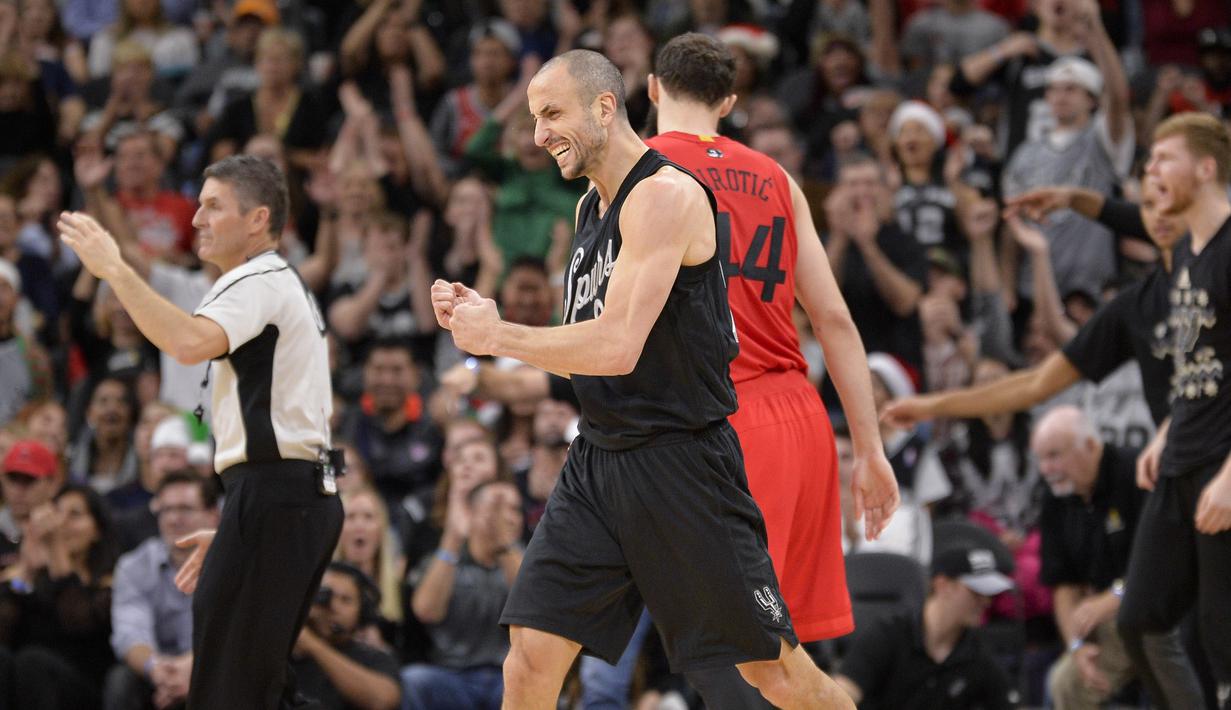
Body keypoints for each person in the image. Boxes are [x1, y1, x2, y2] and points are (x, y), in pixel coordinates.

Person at [433, 49, 891, 709]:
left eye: (551, 114)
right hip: (599, 457)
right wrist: (484, 317)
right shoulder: (590, 208)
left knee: (773, 672)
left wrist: (497, 337)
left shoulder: (666, 194)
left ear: (607, 105)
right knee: (529, 658)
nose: (537, 135)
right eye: (534, 118)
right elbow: (582, 350)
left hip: (683, 463)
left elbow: (619, 345)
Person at [640, 32, 899, 705]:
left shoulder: (638, 169)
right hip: (800, 419)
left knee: (742, 661)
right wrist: (869, 450)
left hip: (722, 422)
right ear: (728, 102)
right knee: (779, 661)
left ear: (652, 88)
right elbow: (834, 320)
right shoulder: (778, 178)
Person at [57, 153, 344, 708]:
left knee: (230, 691)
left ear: (257, 219)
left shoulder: (257, 280)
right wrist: (241, 526)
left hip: (277, 495)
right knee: (258, 688)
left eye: (213, 206)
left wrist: (116, 270)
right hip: (283, 498)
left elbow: (187, 344)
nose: (196, 219)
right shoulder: (276, 282)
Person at [1118, 112, 1231, 705]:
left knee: (1222, 639)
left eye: (1165, 158)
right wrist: (1166, 431)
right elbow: (1201, 362)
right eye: (1149, 160)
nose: (1151, 170)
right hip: (1182, 456)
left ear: (1206, 169)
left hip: (1222, 465)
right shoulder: (1187, 252)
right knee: (1140, 620)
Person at [1031, 406, 1203, 710]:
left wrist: (1115, 596)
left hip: (1161, 609)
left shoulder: (1139, 472)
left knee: (1148, 639)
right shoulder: (1054, 497)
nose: (1046, 469)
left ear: (1090, 445)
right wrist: (1075, 645)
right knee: (1063, 683)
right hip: (1106, 623)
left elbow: (1168, 563)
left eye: (1054, 455)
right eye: (1041, 459)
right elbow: (1063, 584)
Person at [832, 542, 1018, 710]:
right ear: (942, 585)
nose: (986, 602)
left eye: (988, 594)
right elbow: (841, 694)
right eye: (976, 592)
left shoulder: (978, 654)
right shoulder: (887, 635)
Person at [402, 479, 525, 710]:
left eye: (514, 509)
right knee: (415, 680)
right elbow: (426, 611)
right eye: (495, 508)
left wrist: (505, 546)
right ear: (472, 513)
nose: (506, 517)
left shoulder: (525, 561)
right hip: (453, 675)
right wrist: (453, 539)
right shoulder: (446, 559)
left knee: (530, 684)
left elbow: (535, 607)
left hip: (508, 676)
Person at [104, 470, 219, 710]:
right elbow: (130, 634)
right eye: (166, 510)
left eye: (185, 509)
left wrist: (193, 667)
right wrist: (157, 669)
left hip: (217, 668)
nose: (174, 519)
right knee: (121, 680)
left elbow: (240, 632)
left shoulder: (233, 563)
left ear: (213, 515)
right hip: (161, 676)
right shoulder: (134, 565)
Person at [290, 563, 402, 710]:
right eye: (324, 594)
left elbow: (383, 700)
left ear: (363, 610)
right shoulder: (287, 648)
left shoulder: (374, 658)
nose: (333, 606)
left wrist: (312, 644)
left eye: (345, 600)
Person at [0, 438, 62, 570]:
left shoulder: (66, 530)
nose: (18, 490)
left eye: (29, 480)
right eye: (13, 478)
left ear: (53, 484)